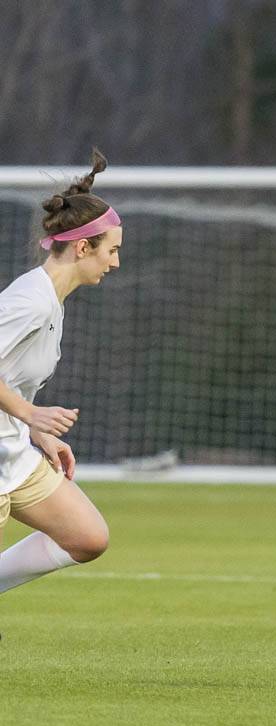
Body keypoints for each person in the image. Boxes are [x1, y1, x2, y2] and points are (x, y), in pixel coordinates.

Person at [0, 149, 120, 600]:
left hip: (11, 451)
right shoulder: (31, 299)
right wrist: (31, 415)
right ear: (83, 246)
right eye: (112, 250)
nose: (115, 262)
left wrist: (37, 435)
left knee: (87, 537)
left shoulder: (51, 301)